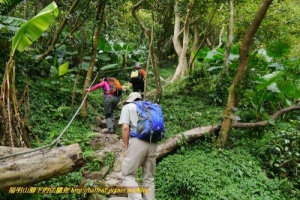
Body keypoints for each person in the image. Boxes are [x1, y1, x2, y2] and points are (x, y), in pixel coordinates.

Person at [118, 92, 158, 200]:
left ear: (131, 99)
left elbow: (125, 127)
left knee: (128, 175)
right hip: (153, 142)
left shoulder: (128, 107)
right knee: (149, 178)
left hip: (137, 142)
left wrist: (126, 148)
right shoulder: (150, 108)